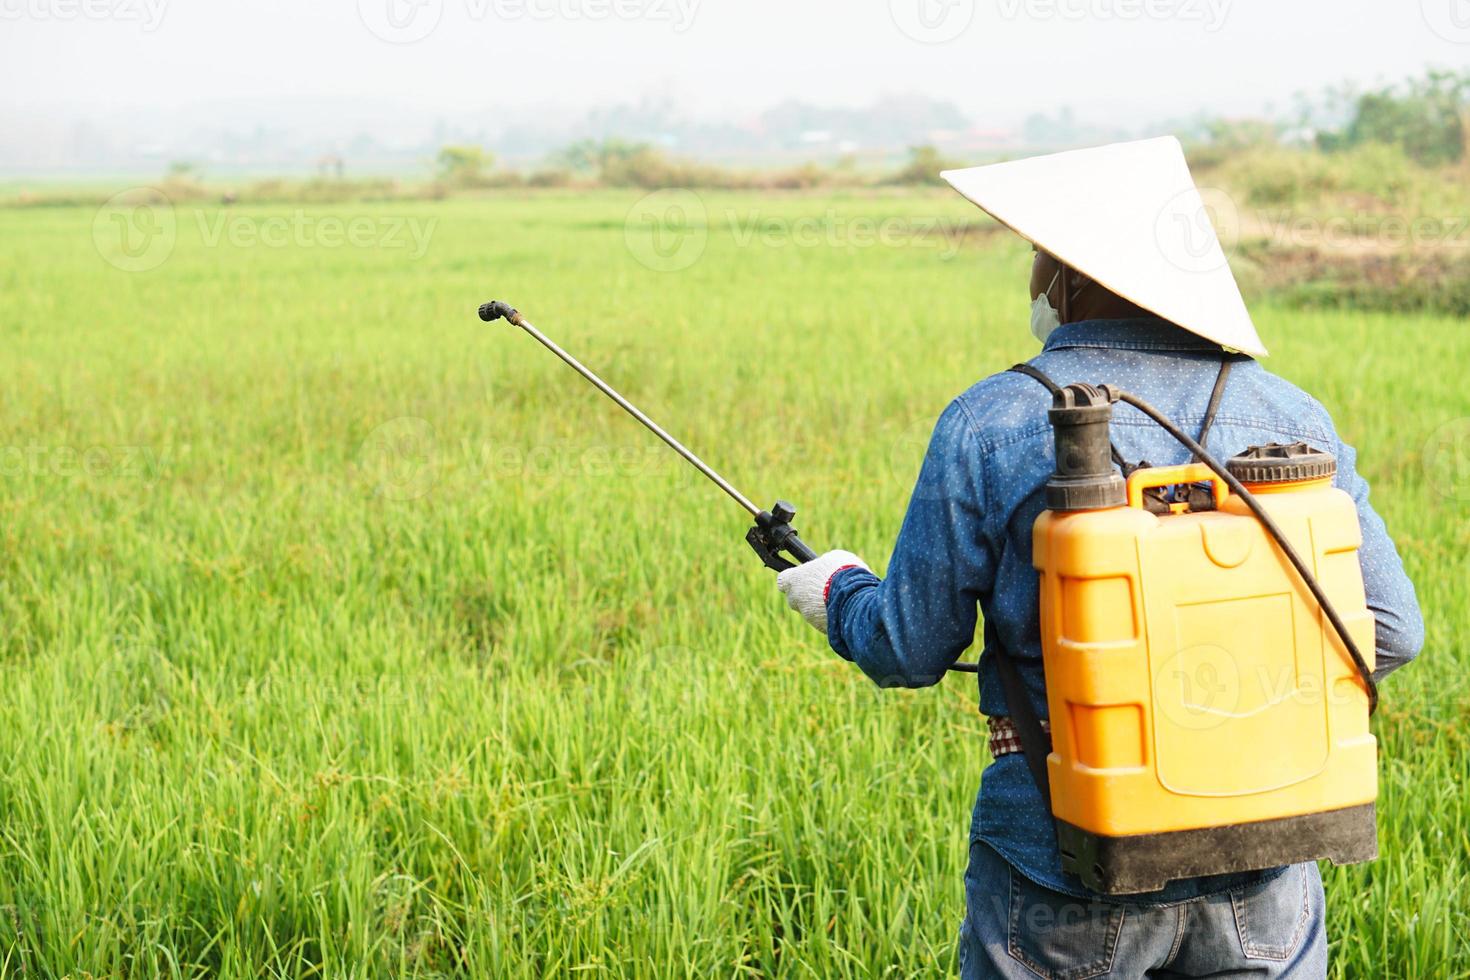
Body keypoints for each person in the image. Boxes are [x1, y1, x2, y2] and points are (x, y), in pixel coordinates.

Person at [774, 137, 1423, 978]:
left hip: (1066, 854)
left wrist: (837, 589)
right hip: (1267, 848)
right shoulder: (1289, 410)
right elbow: (1392, 631)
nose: (1034, 276)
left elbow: (908, 646)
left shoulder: (992, 419)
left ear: (1070, 275)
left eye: (1040, 256)